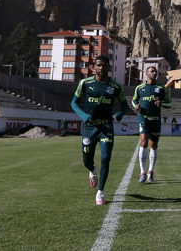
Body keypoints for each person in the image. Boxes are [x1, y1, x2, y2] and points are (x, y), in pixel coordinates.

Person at [71, 56, 129, 205]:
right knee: (86, 160)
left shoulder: (115, 86)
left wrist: (120, 114)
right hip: (90, 127)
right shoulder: (85, 83)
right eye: (98, 65)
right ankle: (92, 170)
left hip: (106, 127)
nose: (101, 68)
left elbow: (124, 105)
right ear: (93, 67)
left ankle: (100, 192)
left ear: (108, 68)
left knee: (106, 158)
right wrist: (84, 116)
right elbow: (74, 103)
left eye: (104, 65)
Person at [132, 66, 172, 183]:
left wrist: (162, 103)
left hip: (156, 120)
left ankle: (151, 171)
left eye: (155, 71)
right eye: (152, 71)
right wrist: (136, 106)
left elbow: (169, 104)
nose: (154, 73)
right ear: (146, 73)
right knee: (143, 142)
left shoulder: (161, 88)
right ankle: (142, 172)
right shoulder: (140, 88)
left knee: (153, 145)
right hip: (144, 118)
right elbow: (134, 100)